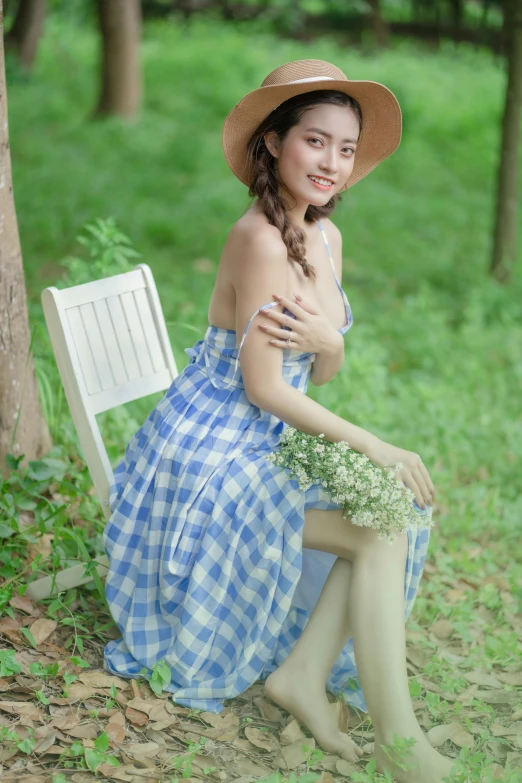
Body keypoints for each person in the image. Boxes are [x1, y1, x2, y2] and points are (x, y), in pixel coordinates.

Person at [103, 60, 456, 782]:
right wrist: (373, 441)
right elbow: (264, 387)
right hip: (215, 452)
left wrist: (335, 342)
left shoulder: (324, 239)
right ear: (272, 143)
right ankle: (399, 742)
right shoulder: (259, 240)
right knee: (380, 520)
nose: (332, 162)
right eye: (315, 141)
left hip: (273, 438)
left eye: (347, 149)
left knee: (391, 518)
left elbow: (317, 370)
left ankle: (303, 676)